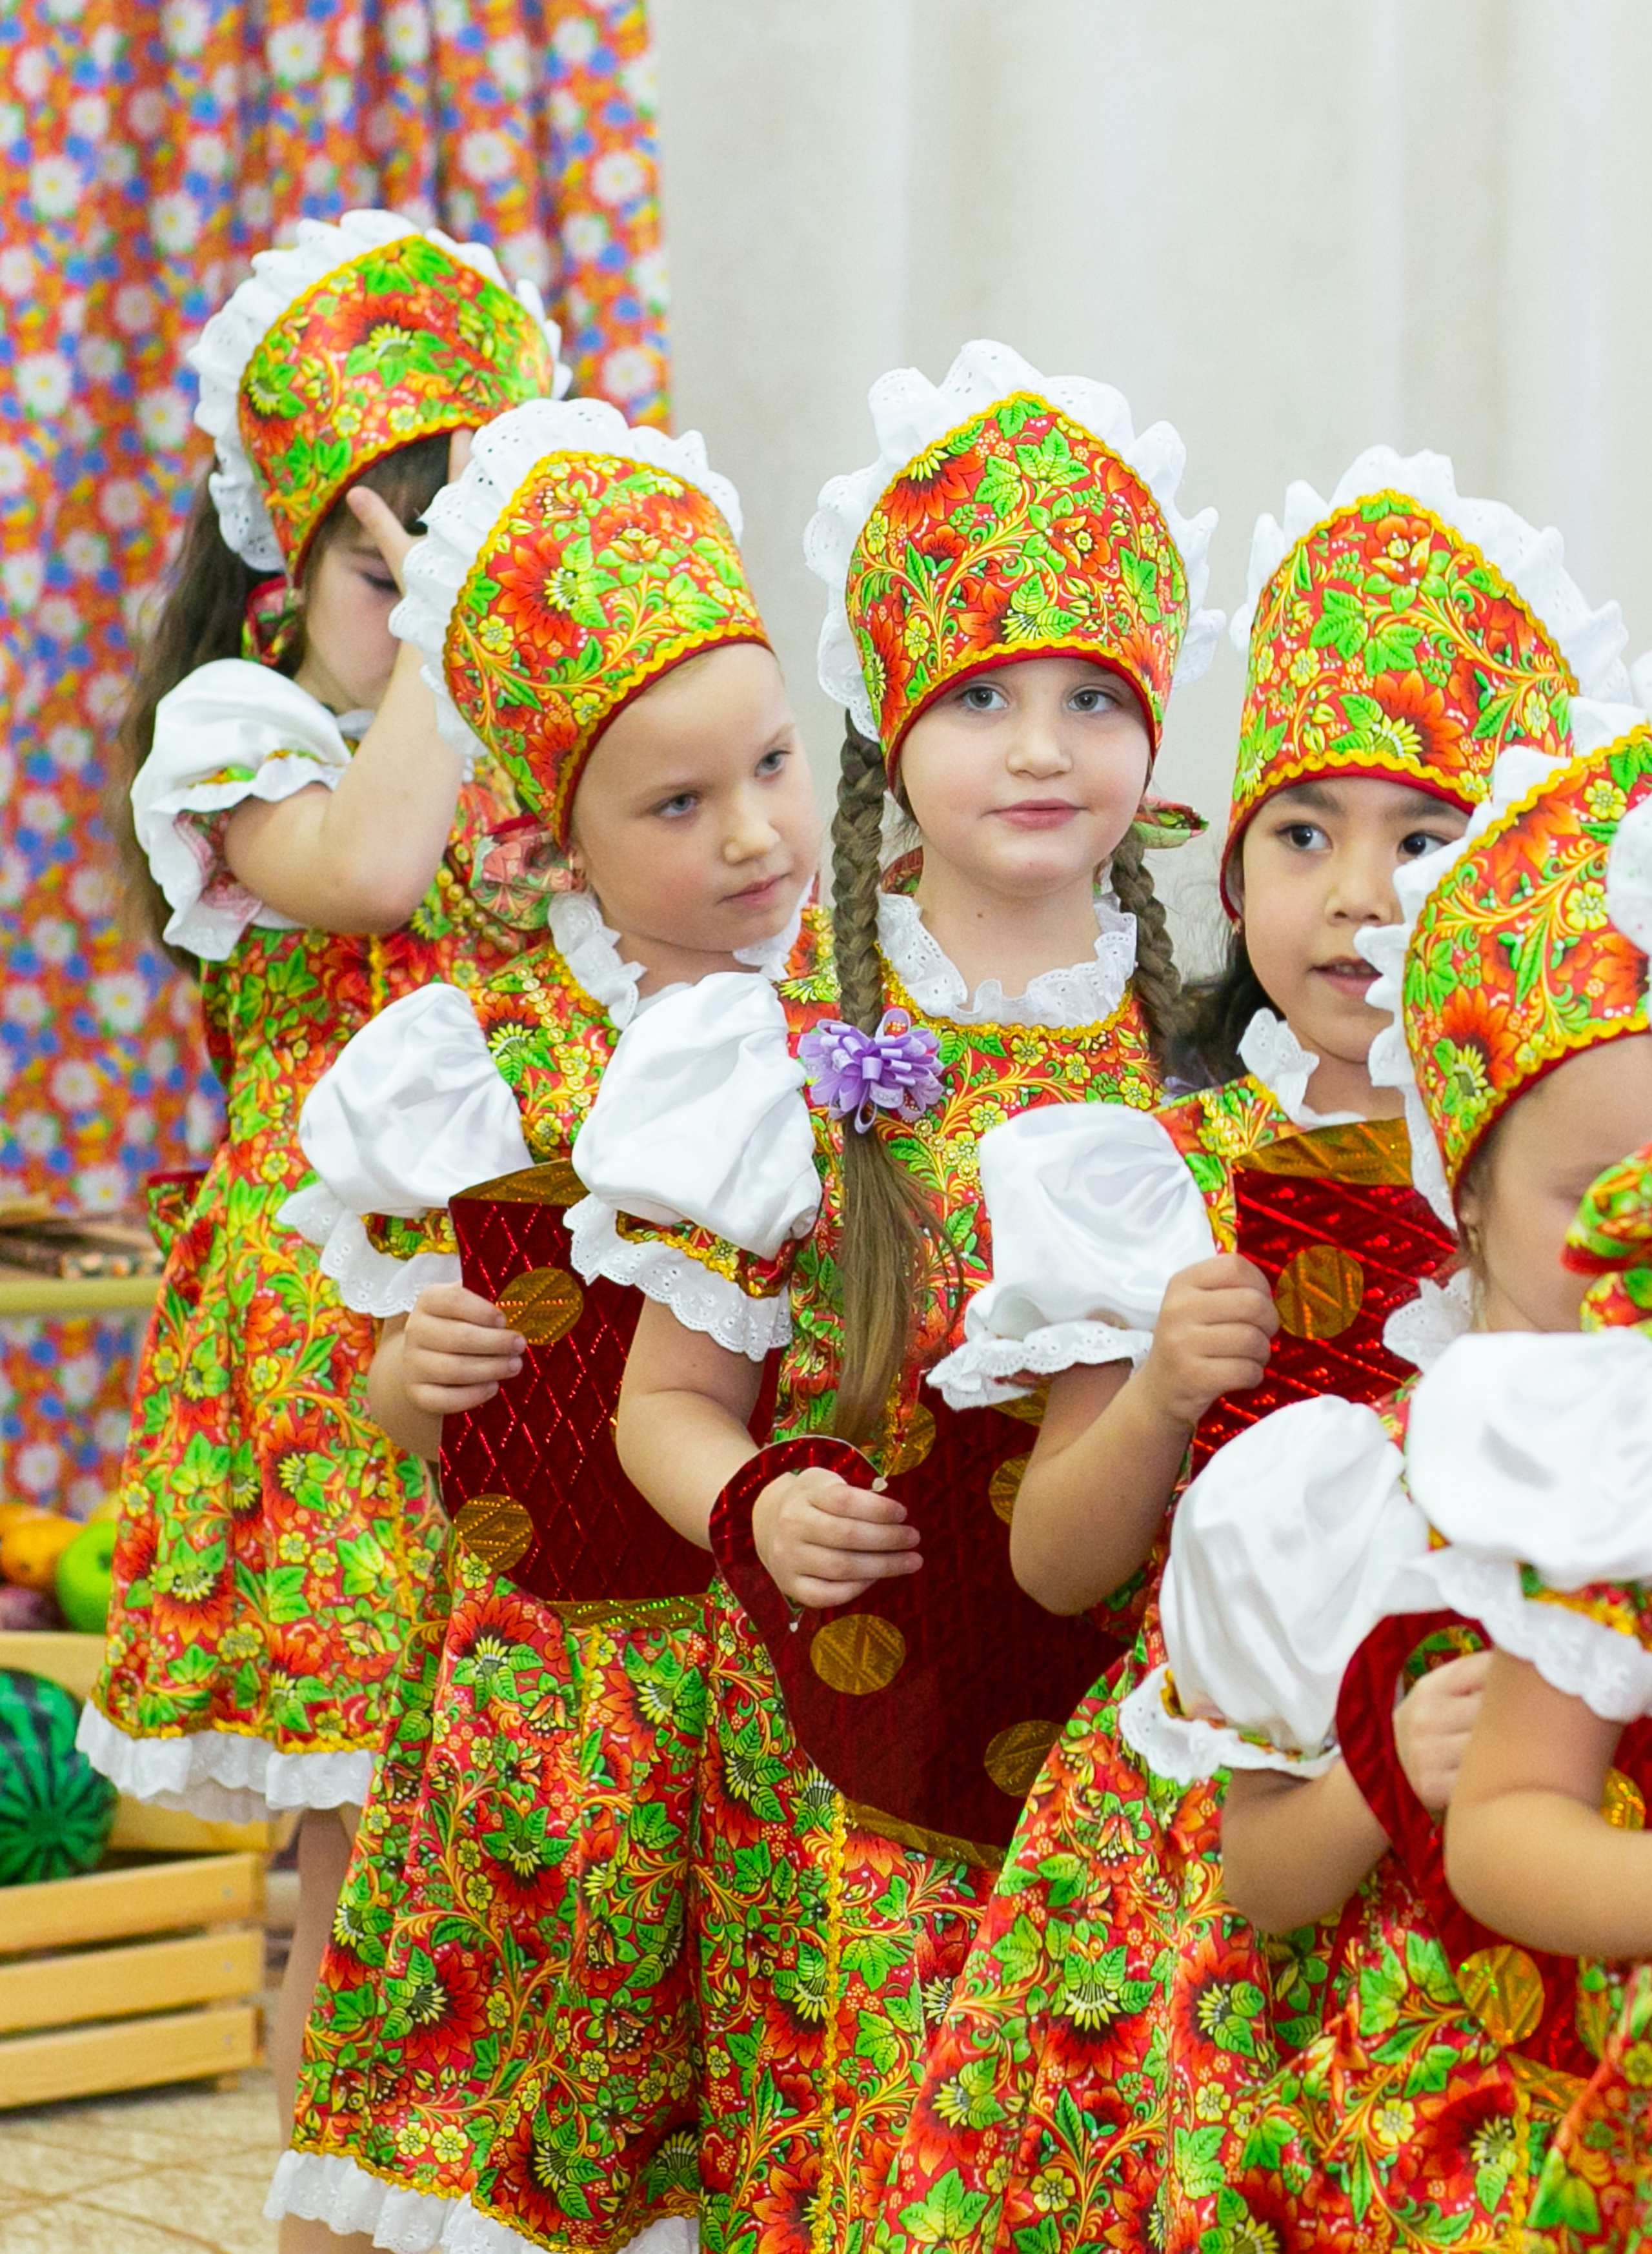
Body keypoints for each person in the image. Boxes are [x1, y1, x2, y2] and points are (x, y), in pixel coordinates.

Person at [876, 450, 1634, 2253]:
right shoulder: (1160, 1176)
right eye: (1303, 833)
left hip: (1522, 1810)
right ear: (1233, 876)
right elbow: (1055, 1558)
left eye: (1423, 837)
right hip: (1207, 1824)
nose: (1358, 895)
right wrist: (1157, 1383)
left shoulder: (1585, 1204)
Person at [570, 339, 1219, 2249]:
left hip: (1138, 1754)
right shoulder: (774, 1049)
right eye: (983, 695)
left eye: (1095, 699)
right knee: (863, 2175)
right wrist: (754, 1494)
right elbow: (661, 1404)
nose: (1040, 747)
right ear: (884, 726)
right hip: (856, 1761)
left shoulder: (1208, 1041)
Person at [263, 393, 824, 2254]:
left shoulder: (863, 1030)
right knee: (517, 2123)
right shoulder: (477, 1060)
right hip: (554, 1699)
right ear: (559, 834)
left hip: (788, 1699)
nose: (754, 836)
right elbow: (381, 1370)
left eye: (773, 765)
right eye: (676, 801)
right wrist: (403, 1377)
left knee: (751, 2119)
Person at [77, 209, 567, 2184]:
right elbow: (368, 875)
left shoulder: (507, 747)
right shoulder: (244, 730)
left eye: (448, 557)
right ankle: (332, 2211)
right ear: (297, 552)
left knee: (521, 1800)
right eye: (384, 563)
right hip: (339, 1324)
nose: (419, 609)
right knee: (368, 1831)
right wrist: (467, 619)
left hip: (531, 1297)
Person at [1123, 724, 1652, 2249]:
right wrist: (1374, 1762)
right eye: (1590, 1200)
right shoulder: (1365, 1498)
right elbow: (1262, 1880)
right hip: (1453, 2146)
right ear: (1464, 1193)